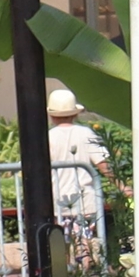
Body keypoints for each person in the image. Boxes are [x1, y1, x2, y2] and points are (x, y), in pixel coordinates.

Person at [47, 86, 110, 229]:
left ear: (51, 115)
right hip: (85, 198)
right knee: (83, 241)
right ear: (75, 114)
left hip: (57, 199)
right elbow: (102, 163)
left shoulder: (48, 136)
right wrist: (122, 185)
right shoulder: (86, 133)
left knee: (61, 243)